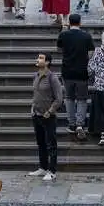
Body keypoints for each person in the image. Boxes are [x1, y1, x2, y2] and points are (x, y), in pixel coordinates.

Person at [57, 13, 94, 139]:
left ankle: (71, 124)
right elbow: (91, 53)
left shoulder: (64, 35)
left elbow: (58, 49)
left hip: (67, 71)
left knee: (69, 97)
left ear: (69, 22)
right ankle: (80, 124)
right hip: (82, 72)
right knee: (82, 99)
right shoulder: (86, 36)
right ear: (80, 23)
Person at [29, 53, 63, 181]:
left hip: (48, 116)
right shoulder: (36, 76)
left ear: (47, 62)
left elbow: (59, 99)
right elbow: (36, 94)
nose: (37, 59)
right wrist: (32, 107)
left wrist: (50, 111)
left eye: (41, 58)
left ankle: (52, 170)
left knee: (51, 144)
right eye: (38, 57)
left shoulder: (52, 78)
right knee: (41, 143)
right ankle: (42, 167)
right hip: (36, 115)